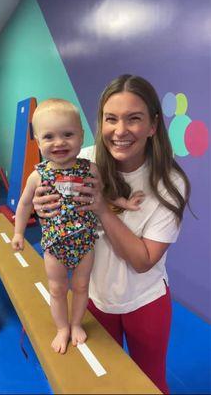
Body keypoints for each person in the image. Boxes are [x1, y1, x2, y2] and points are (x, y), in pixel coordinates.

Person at [32, 76, 191, 394]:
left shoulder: (170, 184)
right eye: (111, 119)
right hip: (93, 298)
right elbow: (48, 193)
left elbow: (144, 260)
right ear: (100, 122)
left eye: (134, 118)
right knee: (101, 384)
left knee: (150, 384)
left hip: (144, 302)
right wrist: (40, 203)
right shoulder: (83, 160)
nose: (120, 131)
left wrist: (103, 208)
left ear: (152, 126)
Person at [11, 98, 144, 355]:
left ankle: (76, 323)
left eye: (67, 134)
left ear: (81, 136)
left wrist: (125, 203)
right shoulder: (37, 175)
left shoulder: (90, 169)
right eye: (49, 137)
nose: (59, 142)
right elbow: (25, 205)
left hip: (84, 242)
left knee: (82, 287)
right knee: (58, 289)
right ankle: (62, 328)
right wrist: (18, 233)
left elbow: (103, 195)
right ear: (38, 142)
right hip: (54, 246)